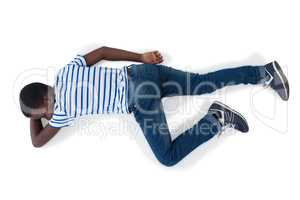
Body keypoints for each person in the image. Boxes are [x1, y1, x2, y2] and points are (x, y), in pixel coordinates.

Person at [19, 46, 289, 167]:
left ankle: (215, 119)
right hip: (142, 73)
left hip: (139, 100)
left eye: (42, 113)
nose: (46, 116)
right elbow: (101, 51)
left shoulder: (62, 111)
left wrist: (30, 115)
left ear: (45, 104)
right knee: (203, 83)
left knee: (168, 157)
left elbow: (37, 141)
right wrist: (141, 57)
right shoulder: (66, 72)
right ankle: (264, 73)